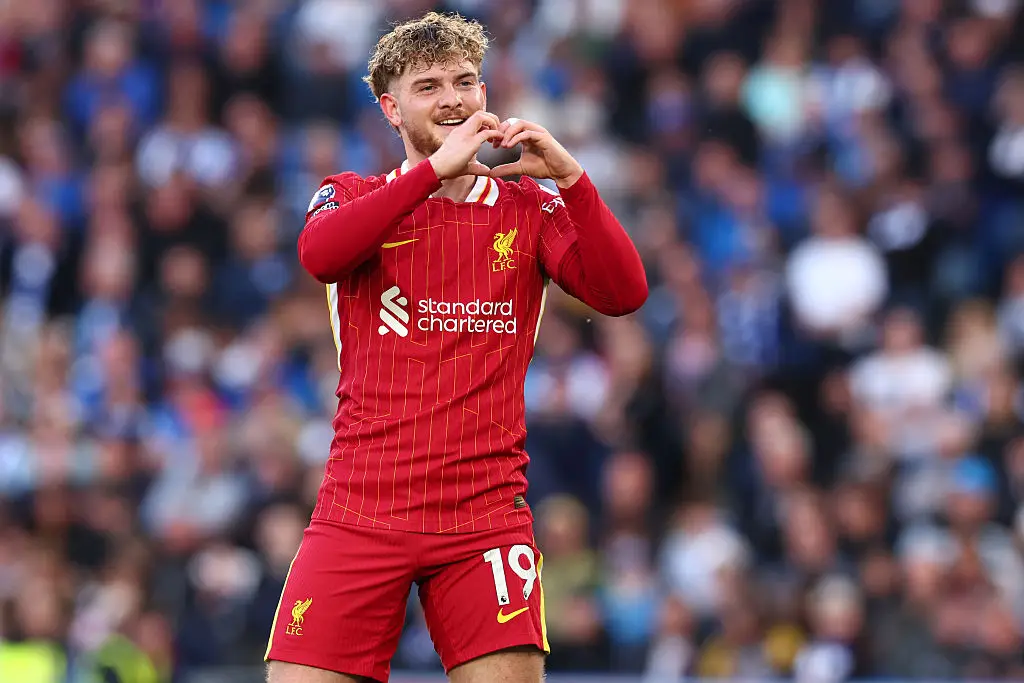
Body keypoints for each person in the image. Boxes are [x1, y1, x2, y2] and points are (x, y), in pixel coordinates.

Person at [264, 11, 648, 683]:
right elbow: (320, 255)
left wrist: (573, 178)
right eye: (429, 85)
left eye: (467, 81)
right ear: (390, 107)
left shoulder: (527, 207)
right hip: (361, 508)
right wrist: (433, 171)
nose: (453, 98)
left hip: (484, 516)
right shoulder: (350, 195)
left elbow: (623, 291)